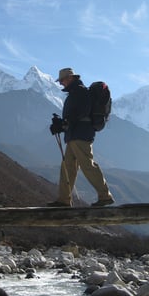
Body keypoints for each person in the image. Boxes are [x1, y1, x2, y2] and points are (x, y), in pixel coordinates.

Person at [48, 67, 115, 207]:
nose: (61, 83)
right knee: (68, 167)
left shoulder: (80, 92)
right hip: (75, 135)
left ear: (70, 78)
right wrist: (62, 124)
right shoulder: (76, 92)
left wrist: (64, 123)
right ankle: (64, 200)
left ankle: (105, 196)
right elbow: (75, 115)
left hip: (80, 135)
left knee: (87, 165)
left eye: (62, 80)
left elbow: (81, 113)